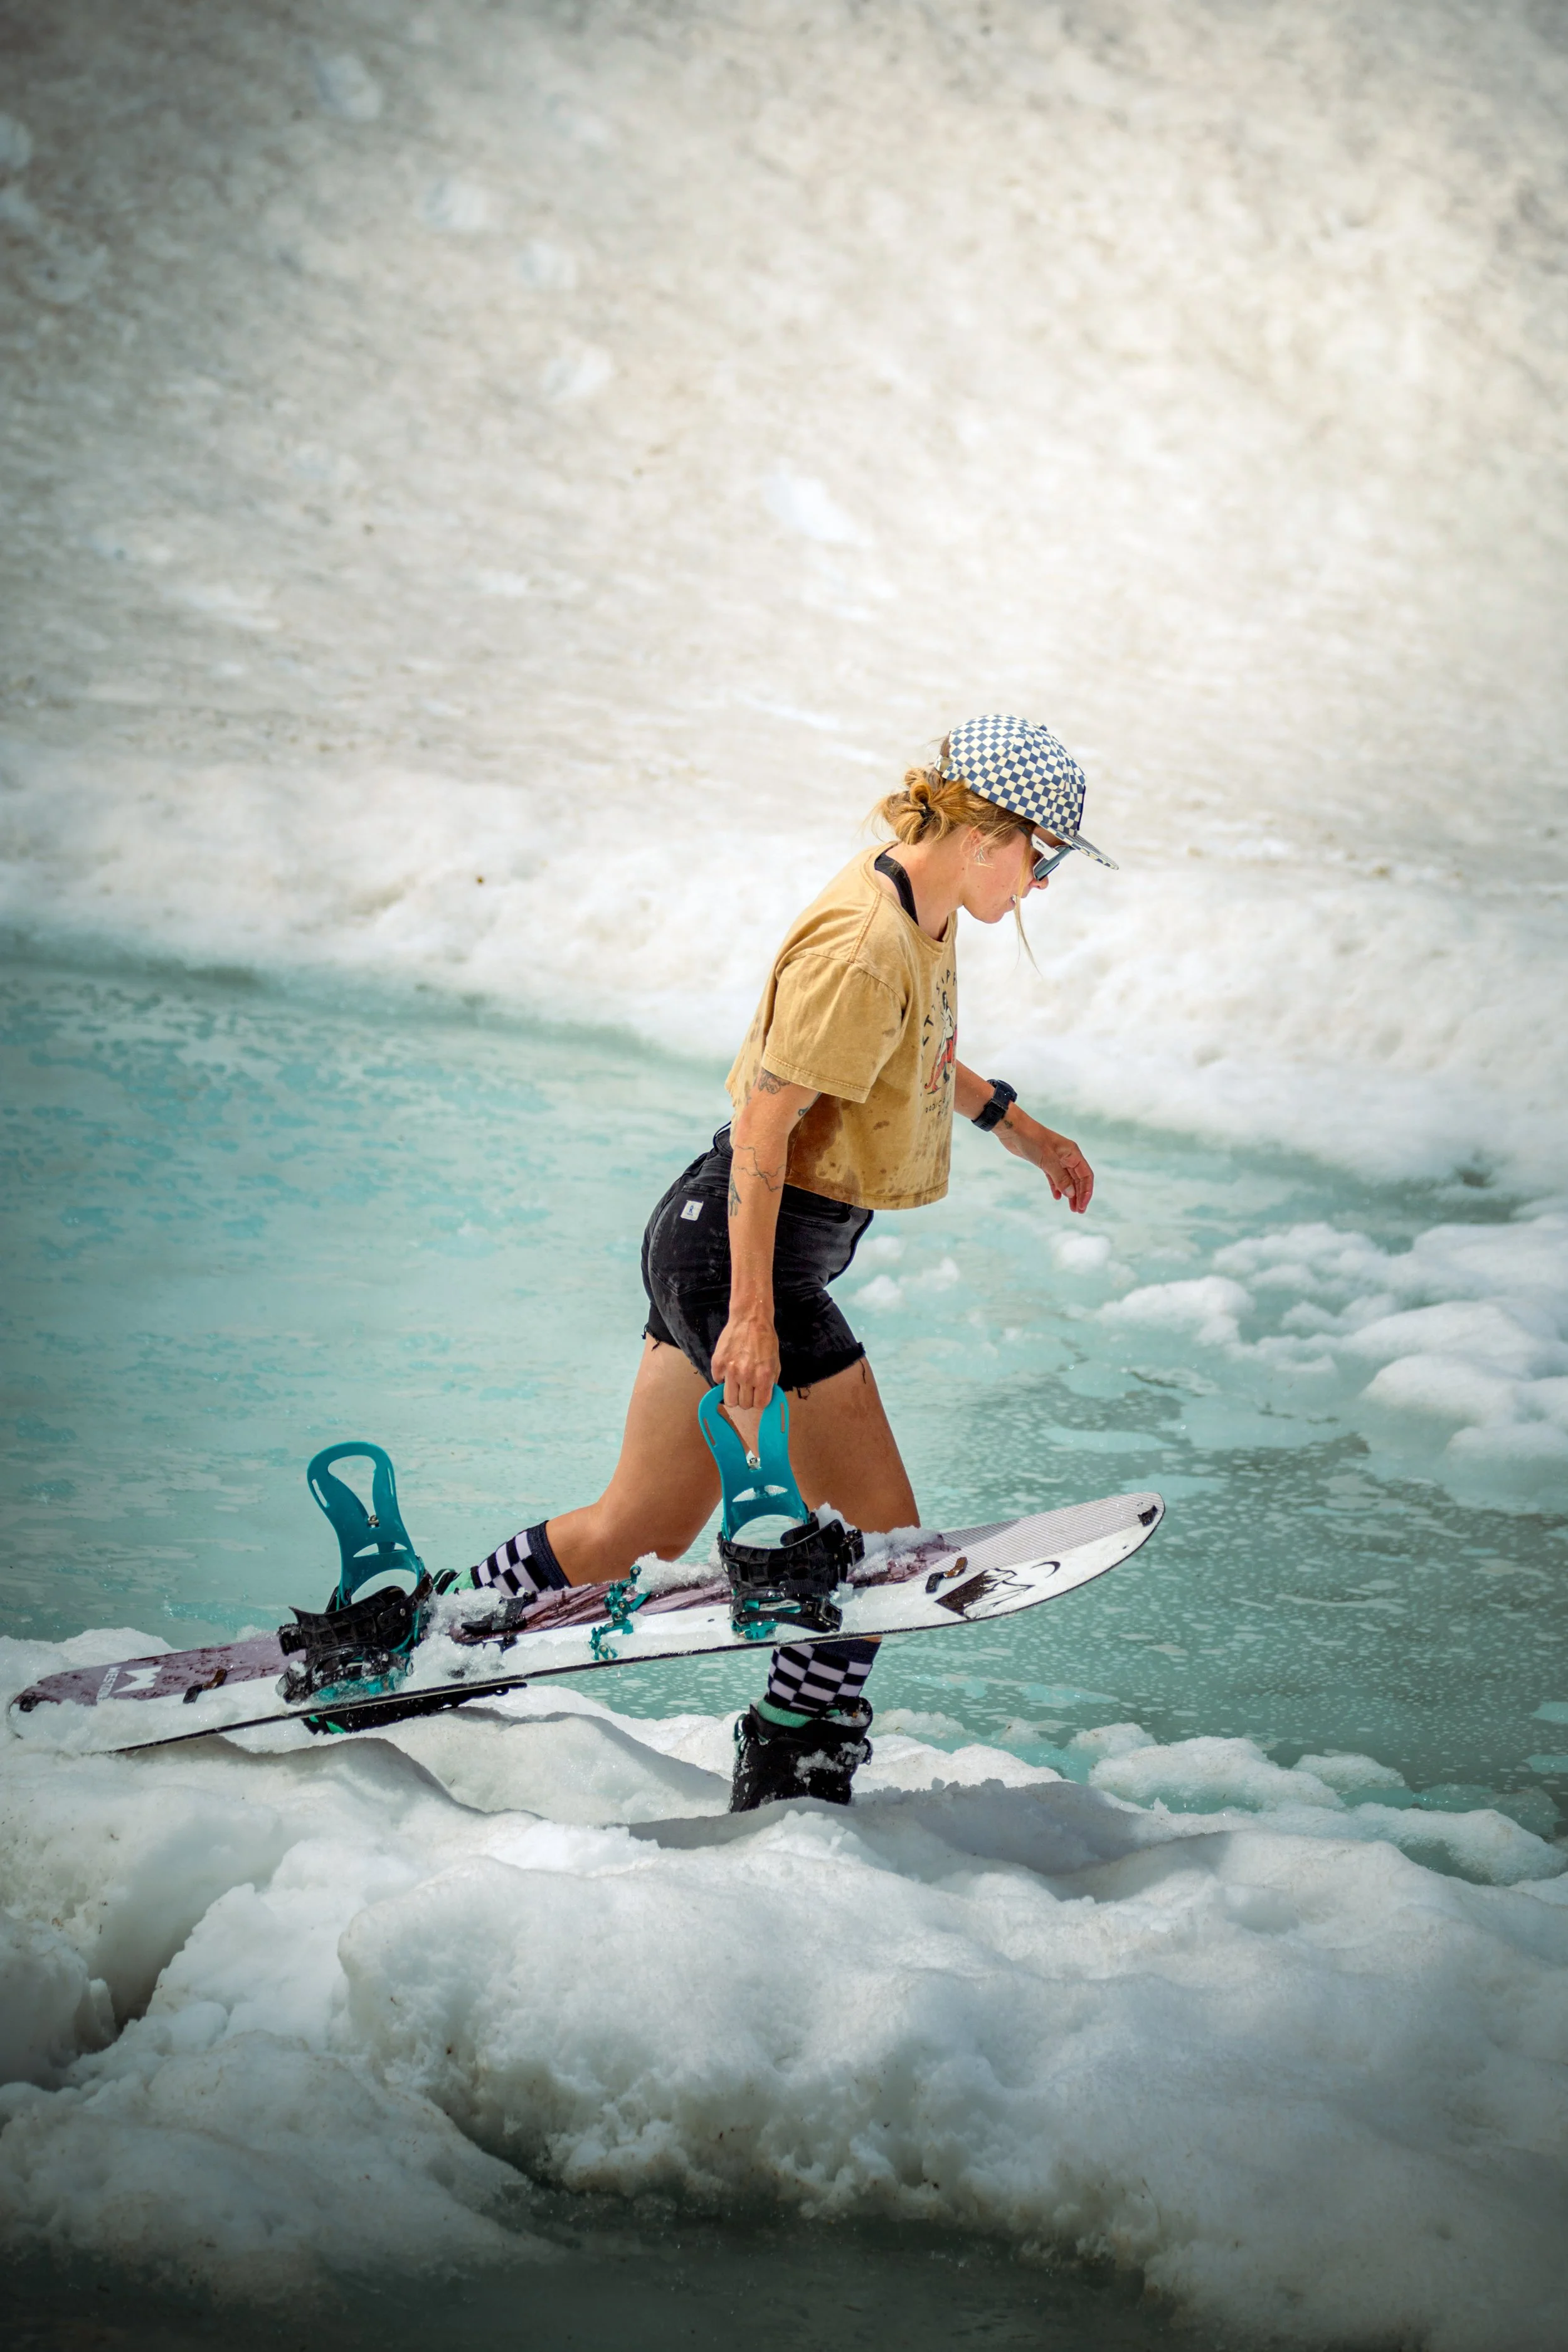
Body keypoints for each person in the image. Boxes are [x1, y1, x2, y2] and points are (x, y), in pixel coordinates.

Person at [467, 714, 1117, 1809]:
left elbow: (923, 1053)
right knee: (880, 1554)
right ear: (985, 831)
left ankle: (444, 1624)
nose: (1045, 882)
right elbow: (765, 1128)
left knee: (637, 1526)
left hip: (716, 1246)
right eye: (1045, 855)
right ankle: (791, 1756)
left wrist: (1022, 1127)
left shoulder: (930, 908)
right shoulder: (862, 943)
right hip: (737, 1254)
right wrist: (754, 1317)